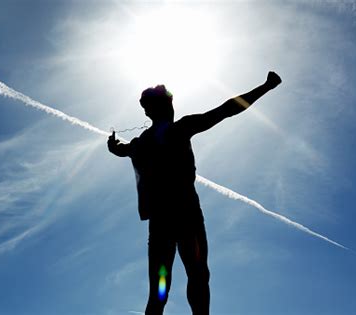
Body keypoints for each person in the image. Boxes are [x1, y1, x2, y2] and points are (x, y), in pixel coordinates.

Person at [108, 71, 282, 315]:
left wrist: (114, 147)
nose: (172, 105)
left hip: (162, 220)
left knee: (162, 287)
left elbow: (121, 150)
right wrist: (265, 87)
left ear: (148, 111)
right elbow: (226, 109)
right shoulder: (178, 129)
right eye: (168, 101)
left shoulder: (142, 143)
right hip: (185, 214)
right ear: (161, 107)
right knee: (196, 276)